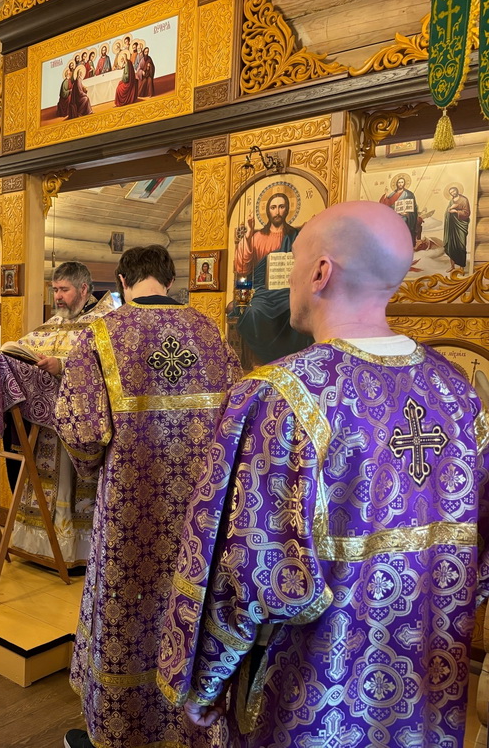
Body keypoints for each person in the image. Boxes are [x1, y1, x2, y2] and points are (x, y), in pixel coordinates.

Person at [159, 201, 489, 748]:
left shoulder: (278, 396)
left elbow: (249, 571)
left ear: (320, 272)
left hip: (310, 690)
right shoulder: (458, 393)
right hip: (424, 688)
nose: (288, 281)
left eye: (294, 264)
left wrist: (205, 681)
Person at [56, 246, 240, 748]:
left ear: (122, 281)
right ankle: (189, 728)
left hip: (130, 508)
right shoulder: (209, 332)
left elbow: (81, 431)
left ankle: (124, 730)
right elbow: (237, 418)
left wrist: (93, 471)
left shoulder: (101, 334)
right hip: (202, 510)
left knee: (128, 606)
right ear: (169, 280)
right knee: (190, 601)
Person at [6, 262, 116, 571]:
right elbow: (26, 348)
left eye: (64, 290)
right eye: (54, 290)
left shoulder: (104, 324)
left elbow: (107, 368)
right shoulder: (52, 324)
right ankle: (37, 546)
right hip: (45, 429)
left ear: (83, 289)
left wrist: (62, 366)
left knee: (71, 486)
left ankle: (74, 552)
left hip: (81, 428)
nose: (57, 297)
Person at [230, 191, 313, 365]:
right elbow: (242, 267)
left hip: (288, 291)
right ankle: (259, 362)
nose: (277, 211)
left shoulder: (295, 236)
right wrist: (249, 233)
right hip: (263, 292)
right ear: (268, 211)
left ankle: (291, 362)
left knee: (295, 309)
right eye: (273, 207)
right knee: (253, 312)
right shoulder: (258, 237)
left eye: (281, 207)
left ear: (287, 209)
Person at [379, 174, 420, 243]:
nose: (400, 184)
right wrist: (385, 195)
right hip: (393, 214)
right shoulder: (393, 194)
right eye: (399, 182)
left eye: (402, 182)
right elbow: (387, 204)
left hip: (404, 216)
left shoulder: (409, 194)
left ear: (404, 183)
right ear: (396, 184)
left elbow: (413, 209)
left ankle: (402, 241)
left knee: (403, 220)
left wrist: (407, 214)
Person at [444, 185, 470, 270]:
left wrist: (456, 211)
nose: (453, 193)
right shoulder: (451, 201)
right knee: (451, 246)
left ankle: (462, 267)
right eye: (451, 192)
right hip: (452, 226)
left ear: (457, 190)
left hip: (461, 225)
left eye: (454, 191)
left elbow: (467, 213)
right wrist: (449, 210)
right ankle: (452, 266)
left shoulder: (464, 200)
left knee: (461, 246)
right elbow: (447, 213)